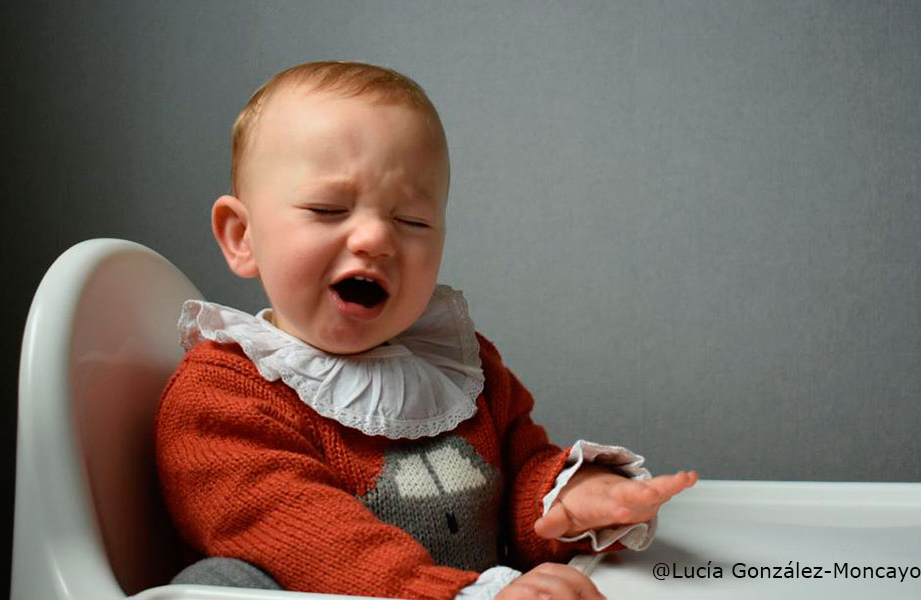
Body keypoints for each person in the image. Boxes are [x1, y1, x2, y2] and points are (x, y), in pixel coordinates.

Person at [155, 60, 697, 600]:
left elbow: (521, 474)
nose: (374, 238)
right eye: (327, 209)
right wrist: (460, 593)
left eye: (412, 221)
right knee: (217, 586)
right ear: (242, 237)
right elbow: (313, 541)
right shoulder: (220, 399)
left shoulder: (463, 369)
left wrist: (570, 499)